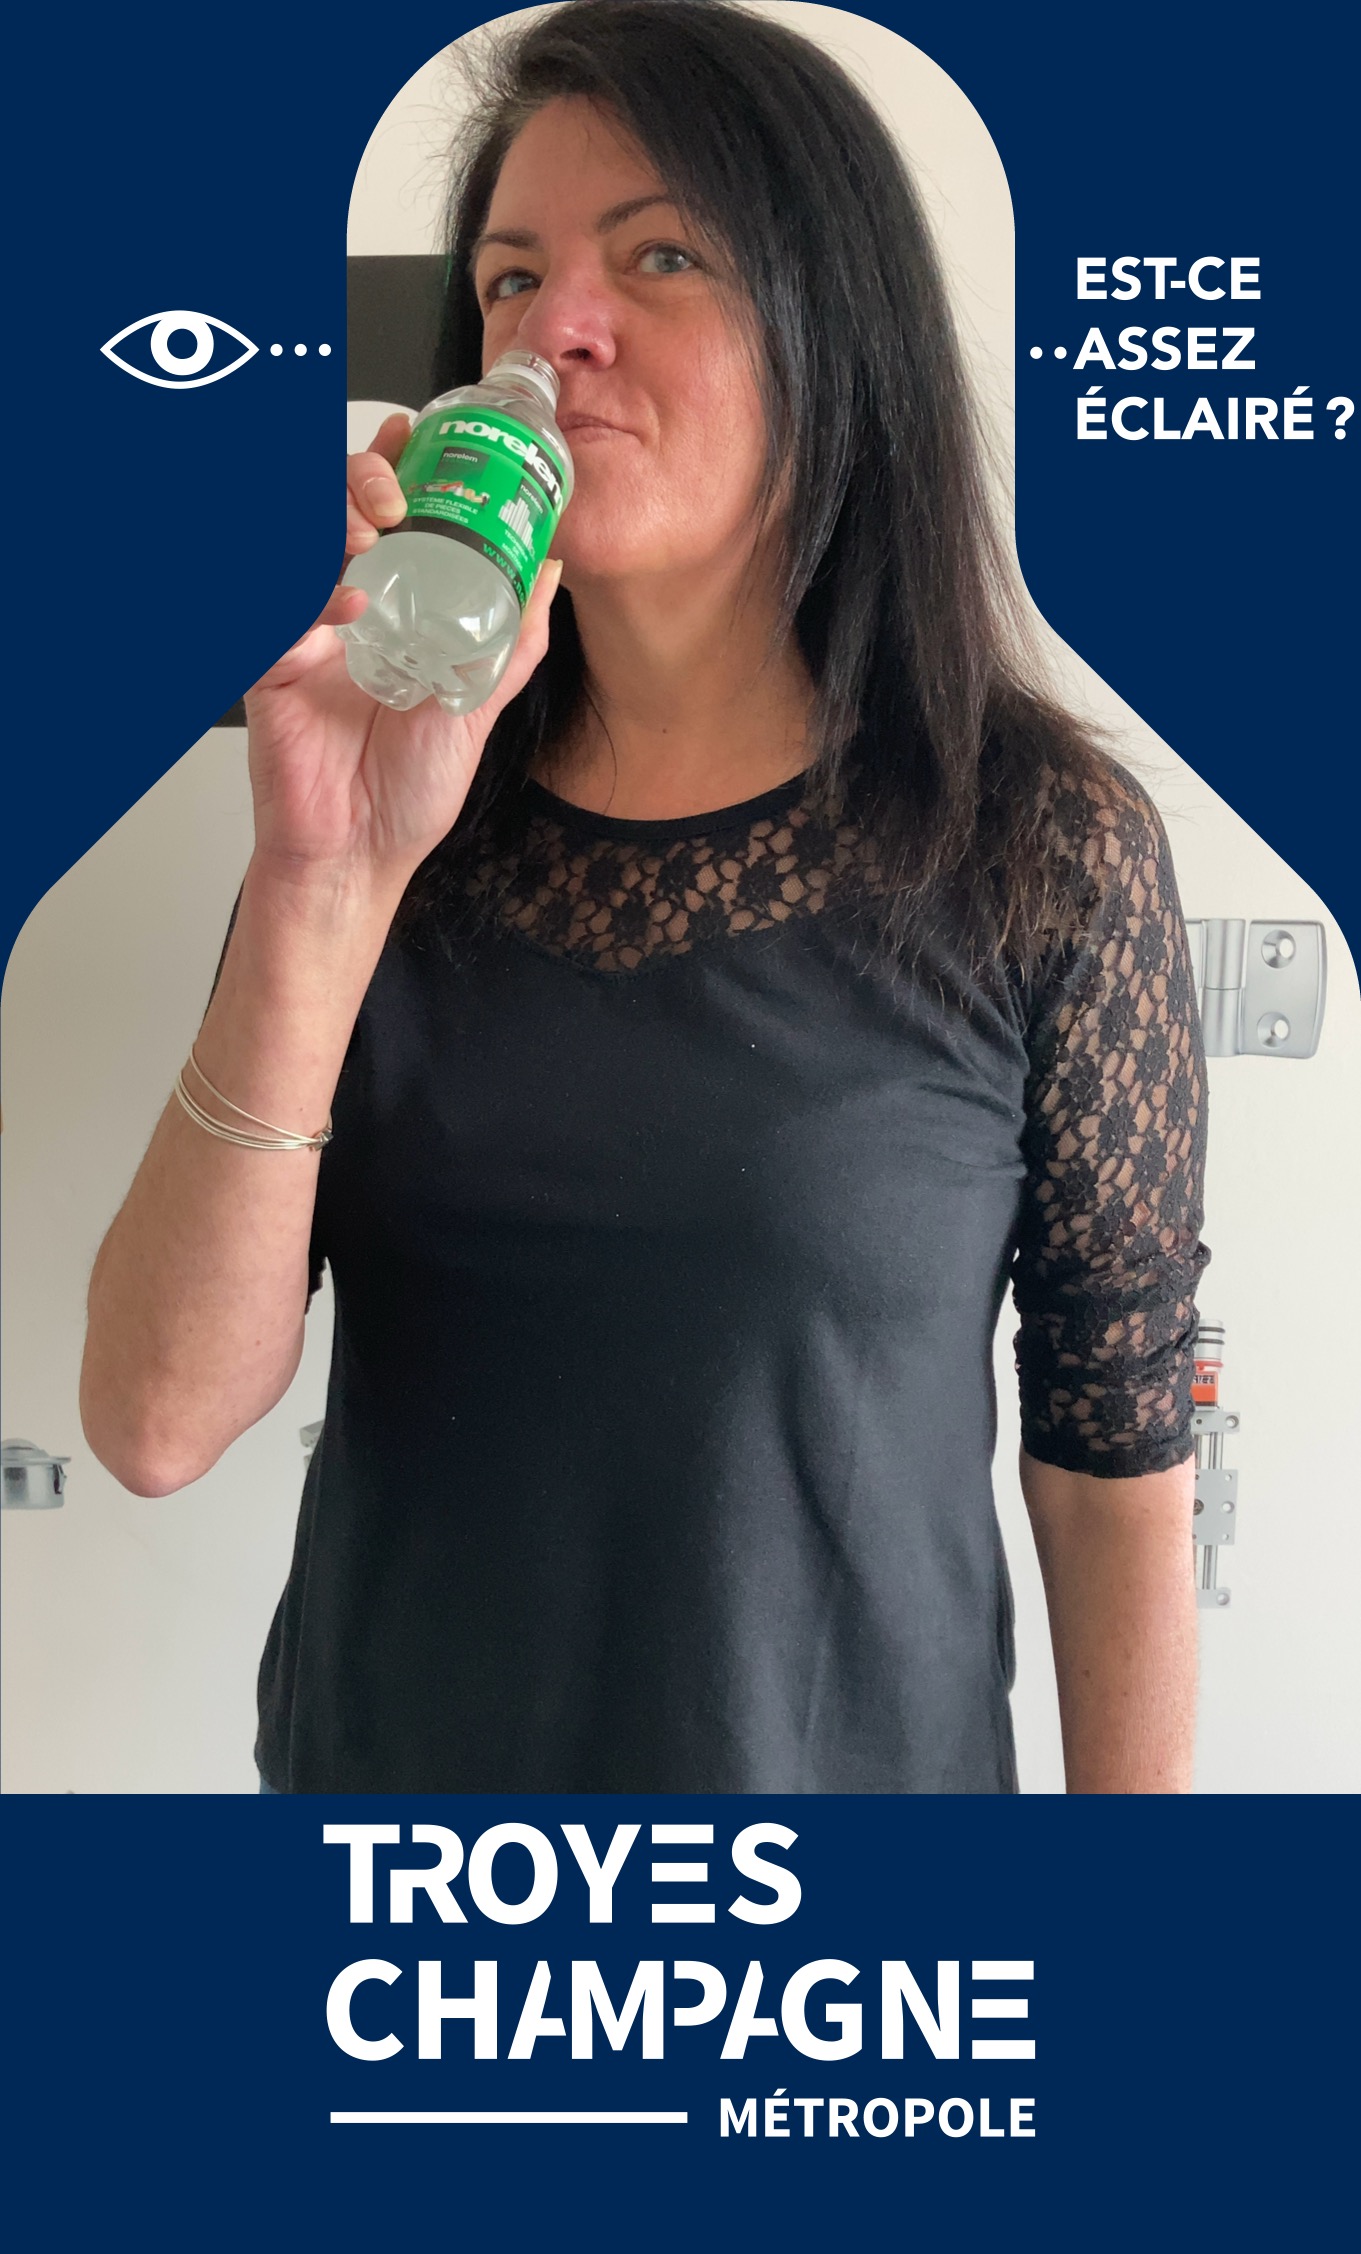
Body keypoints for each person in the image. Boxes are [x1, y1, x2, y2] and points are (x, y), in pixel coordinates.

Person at [79, 0, 1207, 1795]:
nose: (556, 330)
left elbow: (1111, 1458)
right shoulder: (387, 819)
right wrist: (321, 876)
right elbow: (152, 1420)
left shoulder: (1035, 844)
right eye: (510, 281)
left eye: (659, 255)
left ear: (833, 329)